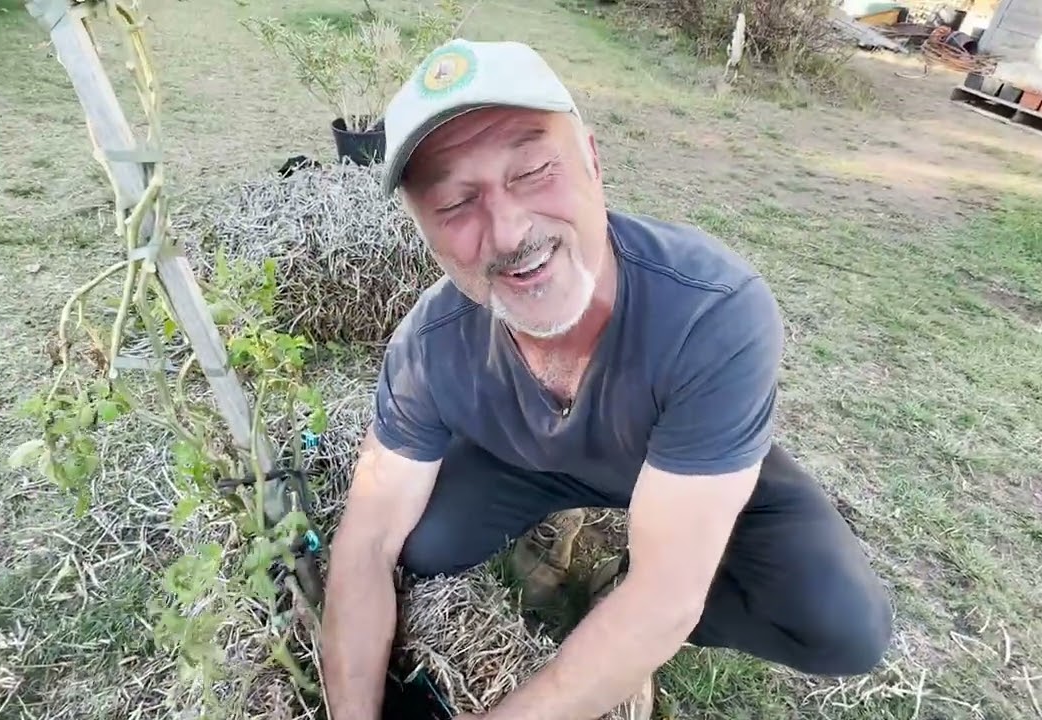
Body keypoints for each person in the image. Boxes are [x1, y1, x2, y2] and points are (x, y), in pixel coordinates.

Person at [318, 38, 894, 720]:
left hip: (683, 459)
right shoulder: (428, 347)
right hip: (529, 463)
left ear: (592, 160)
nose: (506, 232)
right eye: (453, 205)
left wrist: (640, 612)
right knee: (421, 546)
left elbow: (665, 597)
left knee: (843, 628)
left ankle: (611, 578)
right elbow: (365, 545)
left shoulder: (712, 309)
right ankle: (558, 529)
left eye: (532, 171)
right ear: (423, 231)